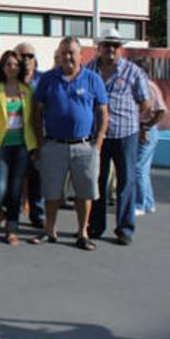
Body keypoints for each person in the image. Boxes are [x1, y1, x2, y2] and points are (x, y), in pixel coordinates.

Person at [31, 36, 108, 251]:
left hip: (84, 146)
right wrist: (40, 142)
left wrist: (99, 142)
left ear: (80, 55)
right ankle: (50, 230)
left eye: (71, 52)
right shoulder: (48, 79)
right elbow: (36, 113)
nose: (67, 56)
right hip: (54, 145)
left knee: (84, 192)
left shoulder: (93, 79)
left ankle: (82, 232)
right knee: (52, 191)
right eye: (63, 52)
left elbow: (103, 113)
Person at [85, 28, 150, 245]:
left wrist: (140, 126)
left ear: (119, 48)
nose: (110, 49)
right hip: (98, 136)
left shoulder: (133, 72)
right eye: (106, 44)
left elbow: (145, 103)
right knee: (98, 181)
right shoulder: (89, 70)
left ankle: (124, 229)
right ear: (99, 47)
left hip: (125, 135)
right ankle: (95, 226)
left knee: (126, 182)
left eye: (115, 45)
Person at [0, 50, 37, 245]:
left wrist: (35, 146)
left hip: (21, 146)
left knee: (15, 190)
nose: (12, 67)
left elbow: (33, 121)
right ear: (2, 67)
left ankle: (12, 229)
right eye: (8, 64)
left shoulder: (27, 90)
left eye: (15, 64)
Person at [15, 42, 45, 229]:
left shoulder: (44, 79)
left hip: (37, 136)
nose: (26, 60)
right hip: (14, 136)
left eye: (30, 56)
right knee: (14, 178)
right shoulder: (9, 80)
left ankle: (37, 213)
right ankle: (12, 212)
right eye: (22, 56)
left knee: (37, 177)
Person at [135, 61, 166, 215]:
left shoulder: (149, 87)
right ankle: (148, 202)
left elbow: (162, 111)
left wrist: (147, 126)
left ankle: (139, 204)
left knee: (138, 168)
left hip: (147, 130)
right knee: (143, 169)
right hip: (141, 129)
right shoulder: (139, 86)